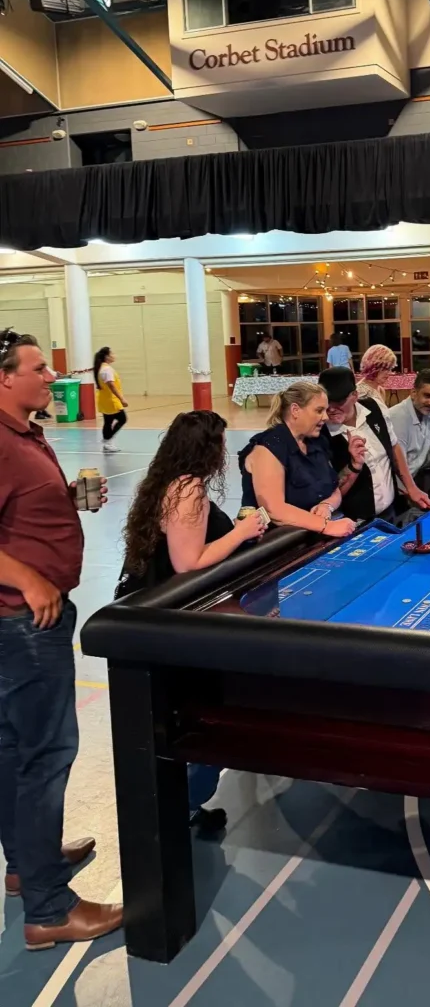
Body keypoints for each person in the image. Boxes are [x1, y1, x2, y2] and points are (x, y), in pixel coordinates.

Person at [0, 328, 122, 949]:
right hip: (25, 623)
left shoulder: (25, 433)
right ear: (4, 377)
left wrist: (63, 501)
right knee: (46, 756)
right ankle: (49, 909)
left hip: (24, 621)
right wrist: (28, 578)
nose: (53, 377)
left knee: (12, 749)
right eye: (39, 368)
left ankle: (27, 864)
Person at [119, 410, 269, 832]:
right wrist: (241, 533)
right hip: (171, 625)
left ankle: (181, 803)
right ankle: (179, 806)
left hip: (155, 615)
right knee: (198, 716)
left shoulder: (168, 482)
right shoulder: (189, 490)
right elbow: (188, 562)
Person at [239, 381, 360, 538]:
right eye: (319, 410)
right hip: (278, 543)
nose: (325, 417)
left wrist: (327, 505)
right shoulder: (268, 448)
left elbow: (333, 488)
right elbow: (274, 509)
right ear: (295, 410)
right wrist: (326, 526)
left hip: (312, 537)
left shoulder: (317, 442)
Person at [321, 366, 430, 520]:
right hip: (353, 522)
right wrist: (353, 466)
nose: (331, 409)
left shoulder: (375, 408)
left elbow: (393, 446)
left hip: (391, 512)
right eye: (327, 402)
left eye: (339, 401)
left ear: (354, 395)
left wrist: (411, 487)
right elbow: (329, 492)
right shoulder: (320, 433)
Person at [389, 369, 430, 490]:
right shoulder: (398, 417)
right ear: (413, 393)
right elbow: (398, 464)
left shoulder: (429, 412)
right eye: (427, 396)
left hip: (414, 482)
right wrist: (412, 493)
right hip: (395, 488)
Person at [94, 346, 128, 454]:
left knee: (108, 421)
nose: (114, 355)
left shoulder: (102, 368)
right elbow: (112, 386)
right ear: (107, 356)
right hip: (111, 400)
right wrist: (122, 399)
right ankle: (108, 441)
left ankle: (107, 442)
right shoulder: (106, 370)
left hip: (105, 399)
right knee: (122, 419)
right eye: (112, 354)